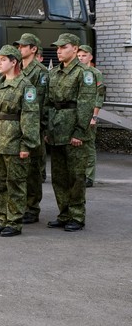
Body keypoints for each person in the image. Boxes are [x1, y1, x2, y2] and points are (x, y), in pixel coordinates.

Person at [0, 46, 40, 237]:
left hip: (14, 141)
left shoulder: (26, 86)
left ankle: (14, 222)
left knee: (15, 184)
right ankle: (2, 219)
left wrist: (26, 144)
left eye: (3, 59)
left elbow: (30, 118)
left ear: (14, 62)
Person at [45, 33, 97, 232]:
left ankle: (76, 215)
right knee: (59, 176)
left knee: (76, 176)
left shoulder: (84, 73)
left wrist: (79, 132)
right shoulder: (54, 73)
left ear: (75, 49)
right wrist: (48, 129)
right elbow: (49, 103)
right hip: (57, 129)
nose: (58, 51)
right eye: (57, 48)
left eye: (63, 47)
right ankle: (64, 213)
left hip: (74, 131)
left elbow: (85, 105)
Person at [13, 33, 48, 223]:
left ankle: (32, 209)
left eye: (23, 46)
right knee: (19, 171)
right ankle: (21, 205)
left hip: (32, 127)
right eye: (18, 47)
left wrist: (38, 130)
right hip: (15, 126)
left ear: (33, 49)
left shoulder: (40, 72)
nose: (20, 49)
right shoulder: (19, 70)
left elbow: (41, 104)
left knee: (33, 171)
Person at [77, 45, 105, 187]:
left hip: (88, 115)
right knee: (76, 147)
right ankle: (78, 174)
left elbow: (99, 96)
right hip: (75, 115)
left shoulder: (95, 73)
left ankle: (89, 176)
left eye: (84, 55)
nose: (81, 58)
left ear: (90, 57)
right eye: (79, 56)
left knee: (88, 146)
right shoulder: (75, 73)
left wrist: (94, 116)